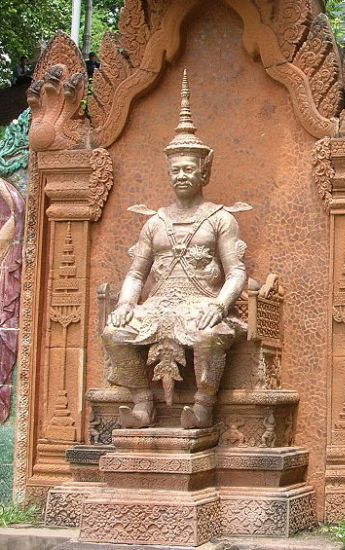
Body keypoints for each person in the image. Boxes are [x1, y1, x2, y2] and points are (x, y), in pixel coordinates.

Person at [102, 70, 249, 430]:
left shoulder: (220, 218)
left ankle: (203, 407)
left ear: (203, 173)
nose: (181, 175)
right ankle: (142, 405)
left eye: (189, 169)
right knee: (113, 333)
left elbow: (237, 272)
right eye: (175, 169)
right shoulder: (154, 222)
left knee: (207, 333)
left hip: (202, 304)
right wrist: (125, 304)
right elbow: (137, 273)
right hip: (158, 305)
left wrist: (220, 304)